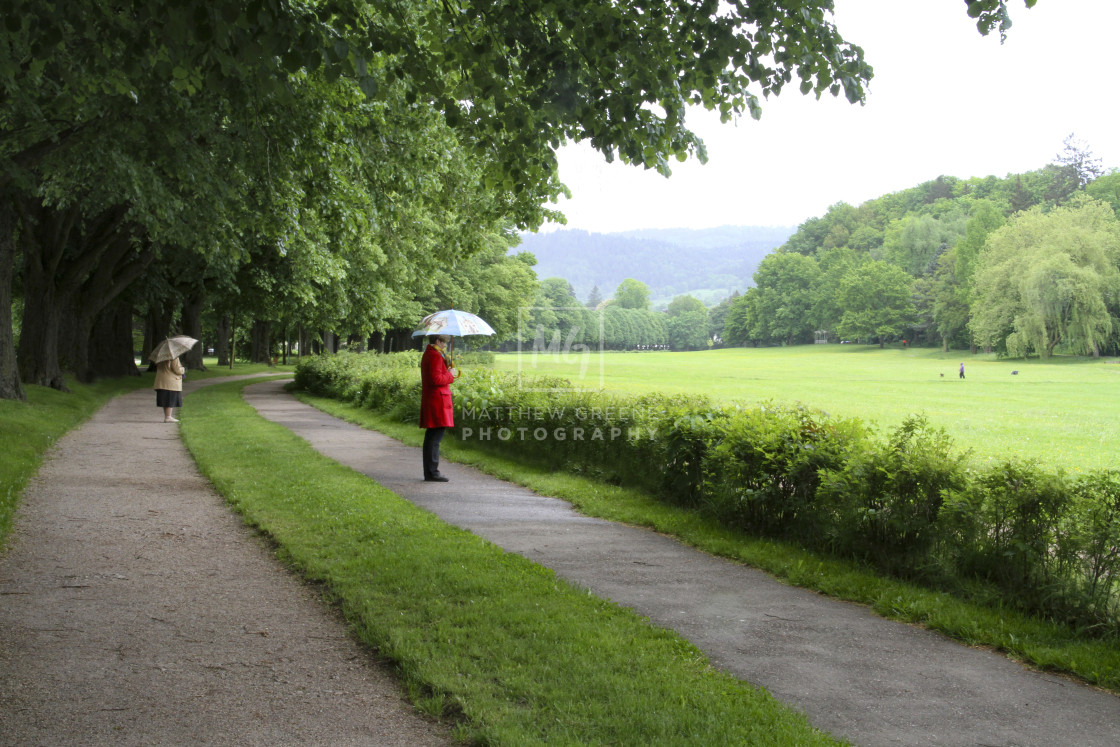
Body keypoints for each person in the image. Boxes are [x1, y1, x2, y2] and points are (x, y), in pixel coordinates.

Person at [419, 334, 459, 482]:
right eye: (444, 343)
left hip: (434, 399)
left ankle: (430, 471)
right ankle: (432, 472)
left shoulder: (429, 354)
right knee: (435, 438)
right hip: (438, 400)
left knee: (432, 437)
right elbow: (437, 379)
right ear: (437, 341)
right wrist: (450, 375)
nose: (445, 346)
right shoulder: (435, 356)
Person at [154, 356, 185, 422]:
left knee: (166, 399)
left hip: (161, 380)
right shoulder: (174, 357)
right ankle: (168, 417)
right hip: (170, 381)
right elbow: (177, 370)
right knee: (170, 399)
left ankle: (167, 416)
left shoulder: (160, 357)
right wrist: (183, 369)